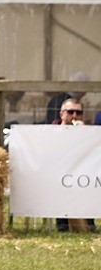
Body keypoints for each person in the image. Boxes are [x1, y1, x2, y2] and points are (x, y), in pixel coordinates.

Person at [51, 99, 97, 233]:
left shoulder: (86, 132)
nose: (75, 116)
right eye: (71, 112)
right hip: (58, 174)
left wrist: (84, 133)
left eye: (79, 112)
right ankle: (63, 226)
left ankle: (89, 224)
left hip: (82, 175)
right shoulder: (52, 132)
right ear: (62, 114)